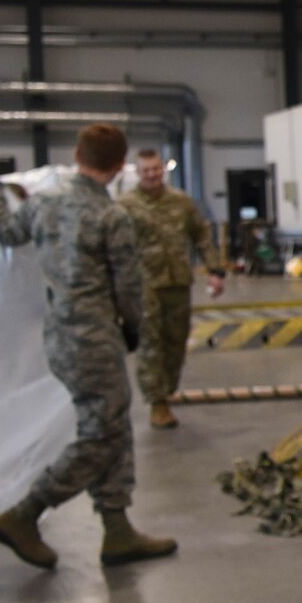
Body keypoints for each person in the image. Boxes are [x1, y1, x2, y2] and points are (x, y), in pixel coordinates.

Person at [0, 124, 178, 570]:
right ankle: (25, 514)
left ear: (77, 155)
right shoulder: (111, 217)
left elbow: (7, 233)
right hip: (94, 336)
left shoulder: (44, 202)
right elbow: (129, 286)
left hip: (59, 337)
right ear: (119, 165)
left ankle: (118, 530)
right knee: (101, 434)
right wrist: (133, 328)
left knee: (111, 424)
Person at [118, 146, 225, 429]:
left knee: (176, 342)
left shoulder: (181, 202)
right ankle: (157, 401)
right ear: (138, 173)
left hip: (178, 281)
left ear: (162, 169)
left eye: (155, 169)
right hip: (145, 285)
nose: (152, 175)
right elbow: (115, 248)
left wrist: (214, 269)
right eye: (146, 170)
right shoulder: (125, 206)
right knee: (151, 344)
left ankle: (167, 389)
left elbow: (201, 235)